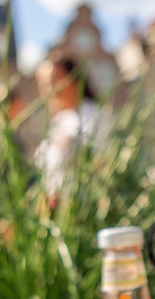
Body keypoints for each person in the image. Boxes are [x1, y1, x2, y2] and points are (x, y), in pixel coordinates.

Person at [34, 57, 102, 205]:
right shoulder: (59, 121)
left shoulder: (93, 115)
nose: (47, 87)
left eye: (53, 79)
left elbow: (95, 159)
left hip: (82, 205)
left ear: (73, 78)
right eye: (41, 82)